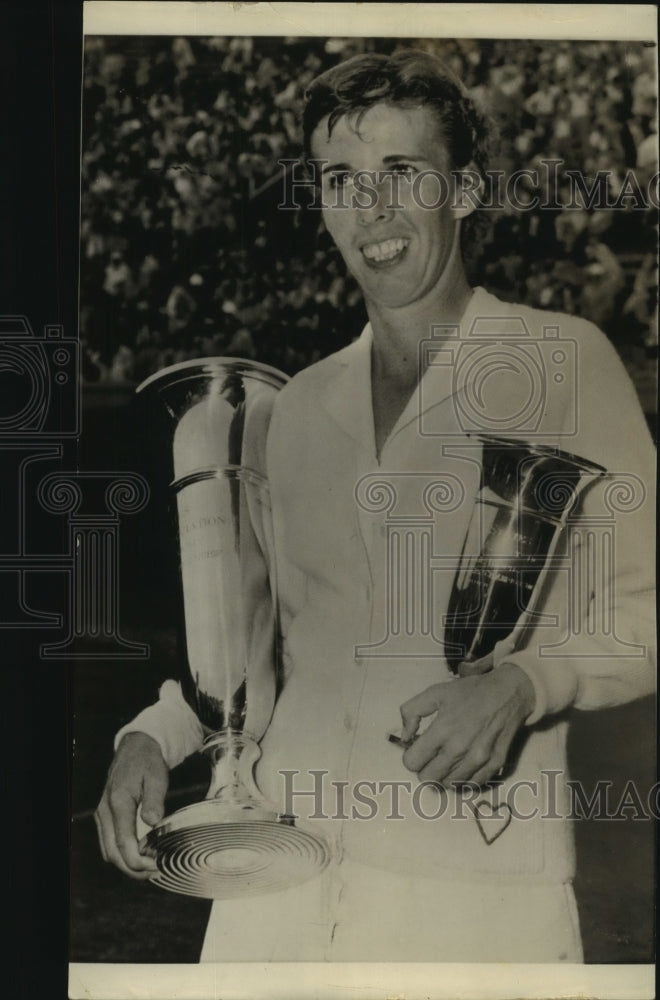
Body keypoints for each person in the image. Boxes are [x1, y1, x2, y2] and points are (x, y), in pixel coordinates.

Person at [95, 50, 656, 963]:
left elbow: (647, 606)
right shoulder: (295, 405)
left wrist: (526, 685)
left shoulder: (567, 359)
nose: (371, 210)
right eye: (341, 180)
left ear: (465, 191)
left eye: (402, 173)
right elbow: (254, 648)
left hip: (472, 896)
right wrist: (150, 738)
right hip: (275, 887)